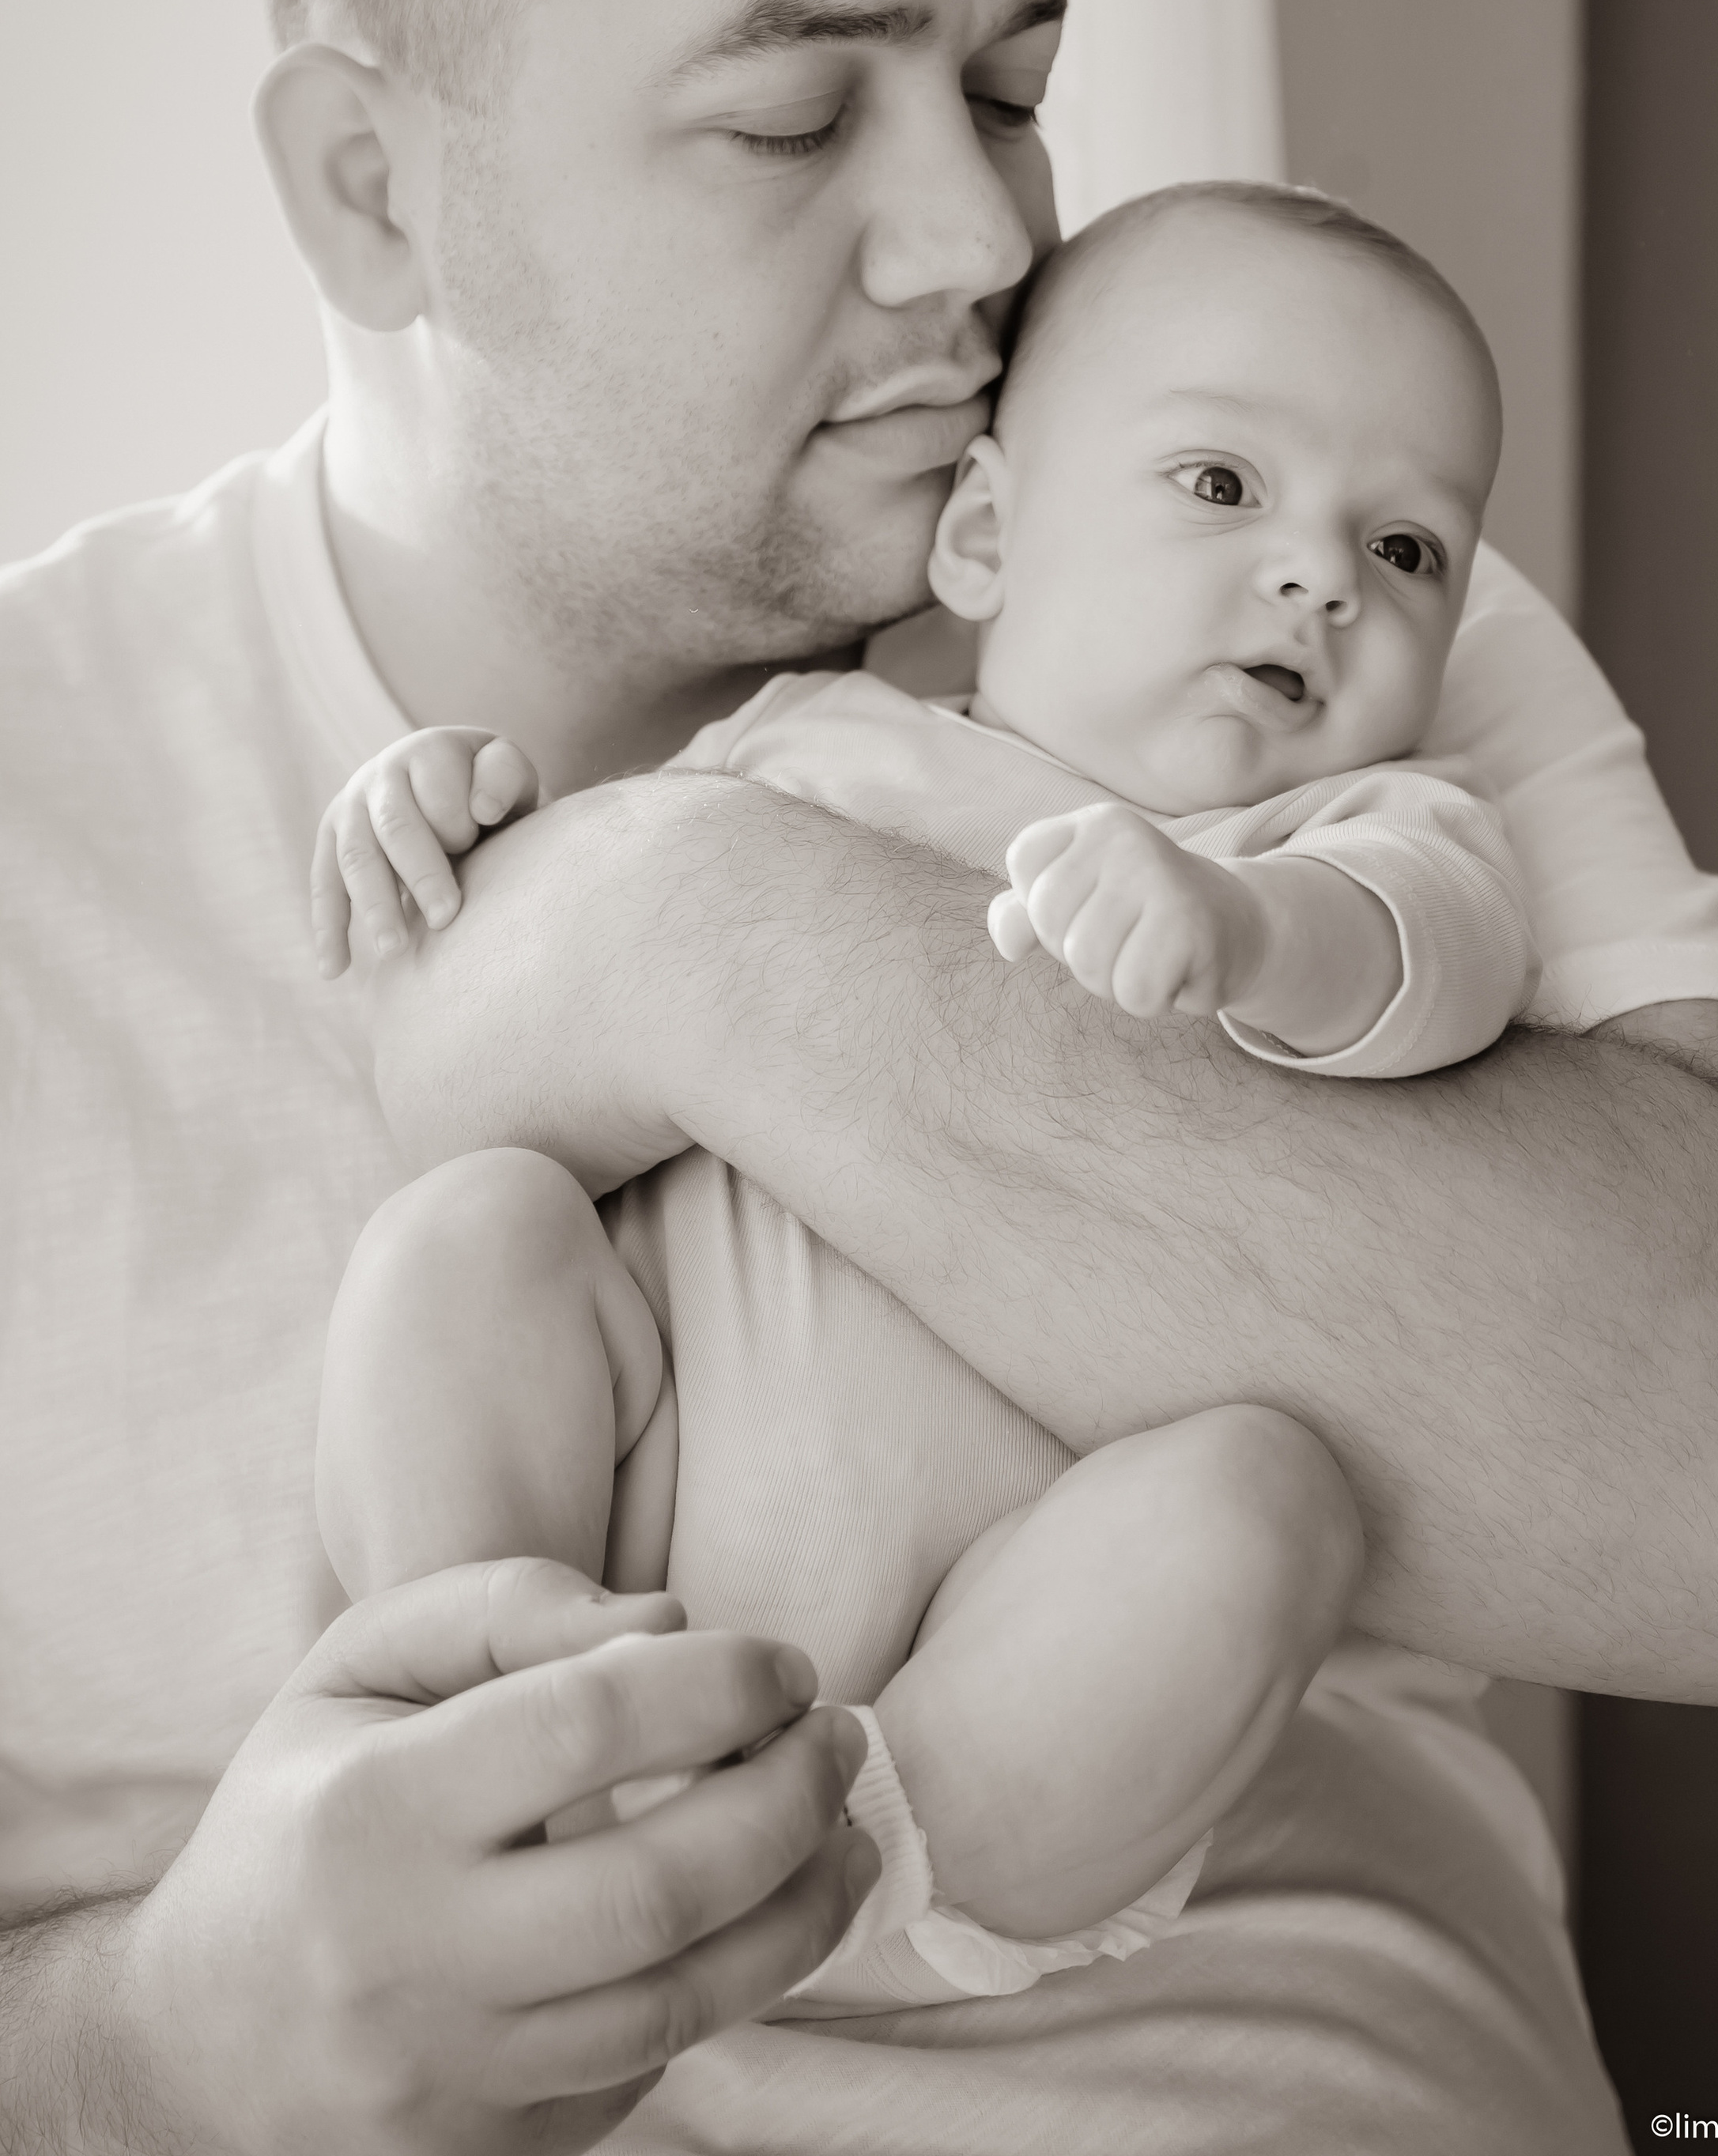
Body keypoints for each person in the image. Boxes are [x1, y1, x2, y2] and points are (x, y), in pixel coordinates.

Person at [0, 0, 1718, 2154]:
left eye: (1013, 87)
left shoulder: (1266, 591)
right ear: (377, 188)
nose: (978, 236)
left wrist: (709, 928)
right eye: (795, 112)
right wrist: (165, 2047)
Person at [307, 181, 1531, 2014]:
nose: (1320, 576)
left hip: (985, 1667)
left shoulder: (1341, 838)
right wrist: (443, 819)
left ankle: (873, 1873)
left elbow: (1440, 958)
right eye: (1221, 487)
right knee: (467, 1237)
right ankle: (491, 1710)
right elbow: (529, 1013)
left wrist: (1250, 924)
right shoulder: (805, 749)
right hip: (643, 1517)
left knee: (1263, 1507)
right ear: (980, 533)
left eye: (1410, 551)